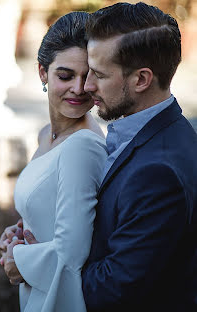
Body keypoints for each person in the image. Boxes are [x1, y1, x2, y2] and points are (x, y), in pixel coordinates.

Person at [79, 3, 197, 311]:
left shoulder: (159, 172)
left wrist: (35, 266)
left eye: (99, 74)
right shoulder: (158, 134)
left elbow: (112, 290)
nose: (87, 85)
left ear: (141, 80)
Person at [0, 12, 107, 311]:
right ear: (42, 73)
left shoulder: (82, 146)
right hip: (37, 285)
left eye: (90, 75)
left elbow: (71, 253)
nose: (79, 87)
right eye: (65, 75)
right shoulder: (46, 135)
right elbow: (52, 210)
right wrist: (20, 232)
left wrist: (17, 259)